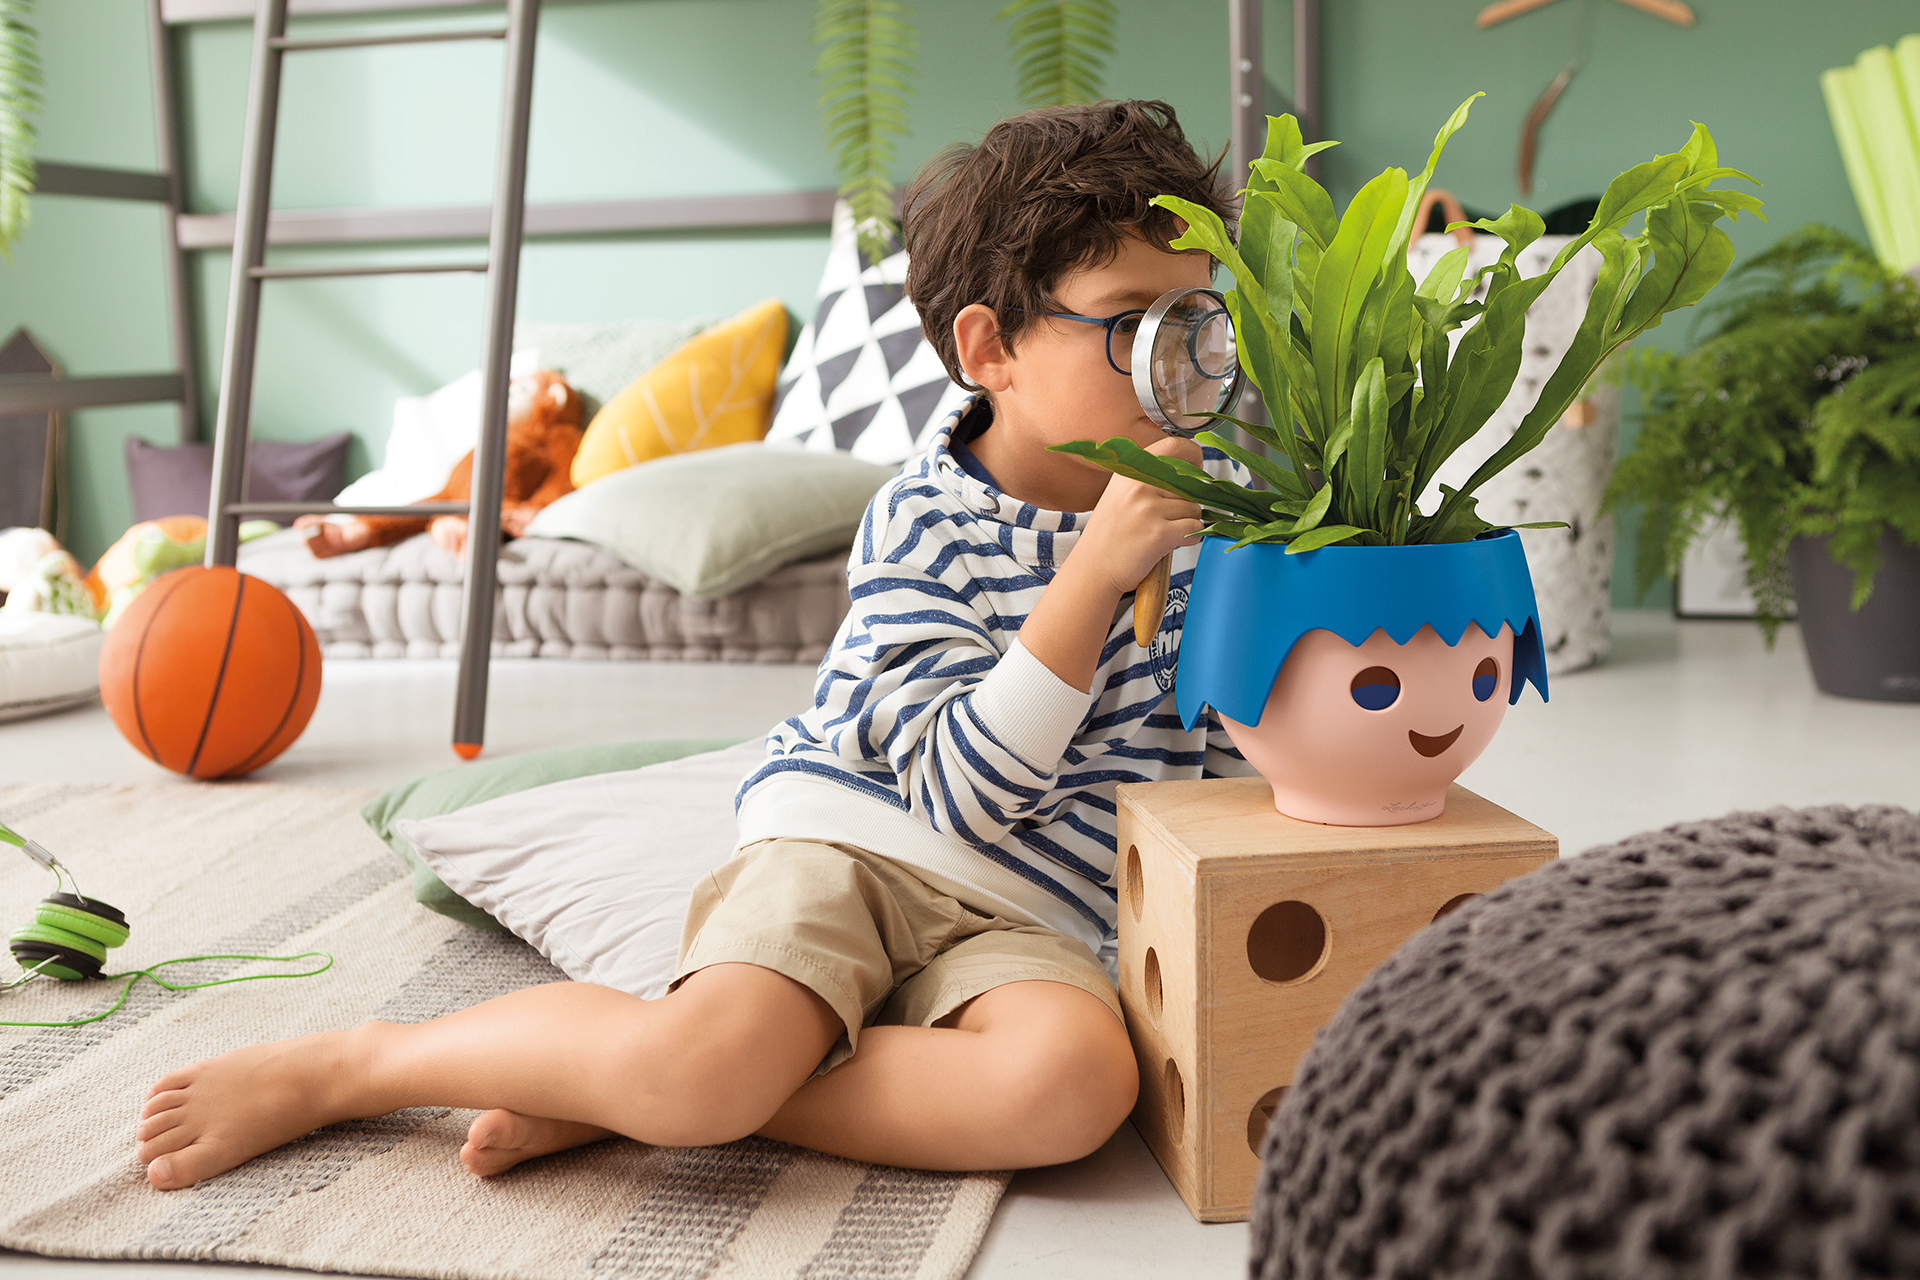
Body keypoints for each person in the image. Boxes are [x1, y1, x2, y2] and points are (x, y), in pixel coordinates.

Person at [134, 98, 1254, 1191]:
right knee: (706, 1063)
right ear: (990, 347)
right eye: (1128, 322)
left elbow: (1230, 763)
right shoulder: (927, 520)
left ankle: (624, 1086)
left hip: (1039, 909)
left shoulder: (1221, 520)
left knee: (1070, 1088)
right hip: (862, 846)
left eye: (1198, 322)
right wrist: (1096, 570)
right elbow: (965, 794)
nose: (1179, 364)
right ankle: (365, 1061)